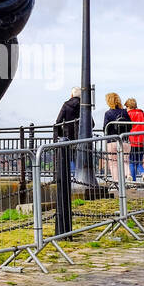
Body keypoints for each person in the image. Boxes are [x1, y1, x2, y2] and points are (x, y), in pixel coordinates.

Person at [53, 87, 81, 236]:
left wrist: (59, 135)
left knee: (68, 158)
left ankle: (69, 179)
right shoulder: (84, 106)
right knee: (77, 157)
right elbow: (91, 123)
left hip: (67, 136)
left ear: (71, 94)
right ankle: (77, 178)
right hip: (80, 137)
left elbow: (58, 121)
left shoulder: (66, 105)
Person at [102, 92, 130, 187]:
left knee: (113, 163)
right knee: (125, 161)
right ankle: (128, 175)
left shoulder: (108, 113)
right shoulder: (124, 112)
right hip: (125, 140)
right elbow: (130, 126)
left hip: (112, 141)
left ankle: (116, 183)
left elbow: (105, 128)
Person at [124, 98, 144, 183]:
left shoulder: (128, 114)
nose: (126, 109)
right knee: (139, 162)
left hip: (131, 141)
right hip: (141, 141)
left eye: (126, 107)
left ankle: (133, 181)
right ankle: (143, 174)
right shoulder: (143, 114)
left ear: (129, 106)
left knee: (131, 162)